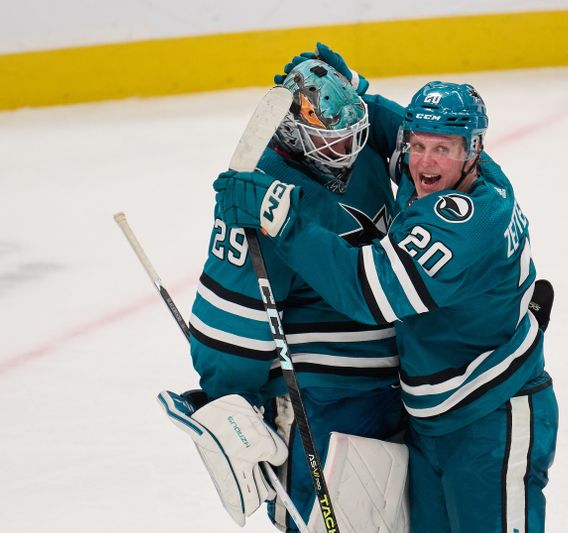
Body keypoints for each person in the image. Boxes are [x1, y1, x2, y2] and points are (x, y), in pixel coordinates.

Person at [215, 75, 559, 532]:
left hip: (490, 417)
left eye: (443, 149)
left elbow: (366, 291)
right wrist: (351, 90)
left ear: (472, 149)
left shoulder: (465, 223)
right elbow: (391, 127)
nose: (425, 161)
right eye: (418, 146)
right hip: (434, 423)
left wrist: (283, 221)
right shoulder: (471, 175)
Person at [159, 58, 410, 532]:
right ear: (293, 135)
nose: (344, 150)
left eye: (353, 135)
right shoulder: (258, 190)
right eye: (328, 140)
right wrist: (233, 401)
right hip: (322, 402)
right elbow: (231, 323)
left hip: (398, 388)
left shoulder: (369, 153)